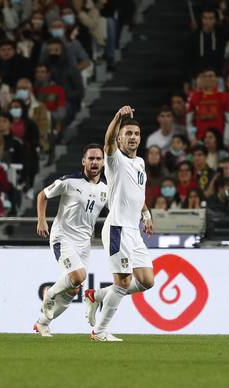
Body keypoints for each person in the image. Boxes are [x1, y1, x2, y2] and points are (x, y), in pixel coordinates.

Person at [84, 106, 154, 342]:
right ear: (120, 138)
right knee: (123, 282)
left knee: (146, 281)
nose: (133, 137)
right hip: (117, 229)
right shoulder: (115, 159)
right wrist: (117, 117)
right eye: (128, 134)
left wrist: (146, 215)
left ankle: (97, 295)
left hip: (134, 231)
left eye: (136, 134)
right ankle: (99, 331)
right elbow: (107, 144)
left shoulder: (141, 163)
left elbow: (137, 194)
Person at [34, 143, 107, 336]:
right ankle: (49, 293)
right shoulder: (69, 181)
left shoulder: (106, 189)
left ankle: (42, 323)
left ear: (103, 162)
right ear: (84, 161)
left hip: (84, 243)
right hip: (62, 238)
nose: (94, 162)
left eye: (98, 159)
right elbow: (43, 195)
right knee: (78, 277)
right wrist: (42, 220)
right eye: (91, 158)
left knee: (73, 290)